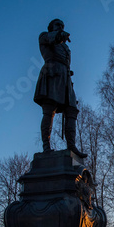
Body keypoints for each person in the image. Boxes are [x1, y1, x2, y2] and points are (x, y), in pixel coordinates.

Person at [34, 18, 87, 158]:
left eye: (62, 26)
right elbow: (53, 39)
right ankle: (46, 146)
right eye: (58, 25)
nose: (61, 27)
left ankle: (71, 146)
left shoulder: (65, 47)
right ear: (51, 27)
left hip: (65, 78)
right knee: (49, 110)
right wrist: (59, 36)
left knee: (72, 110)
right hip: (52, 74)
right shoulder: (45, 36)